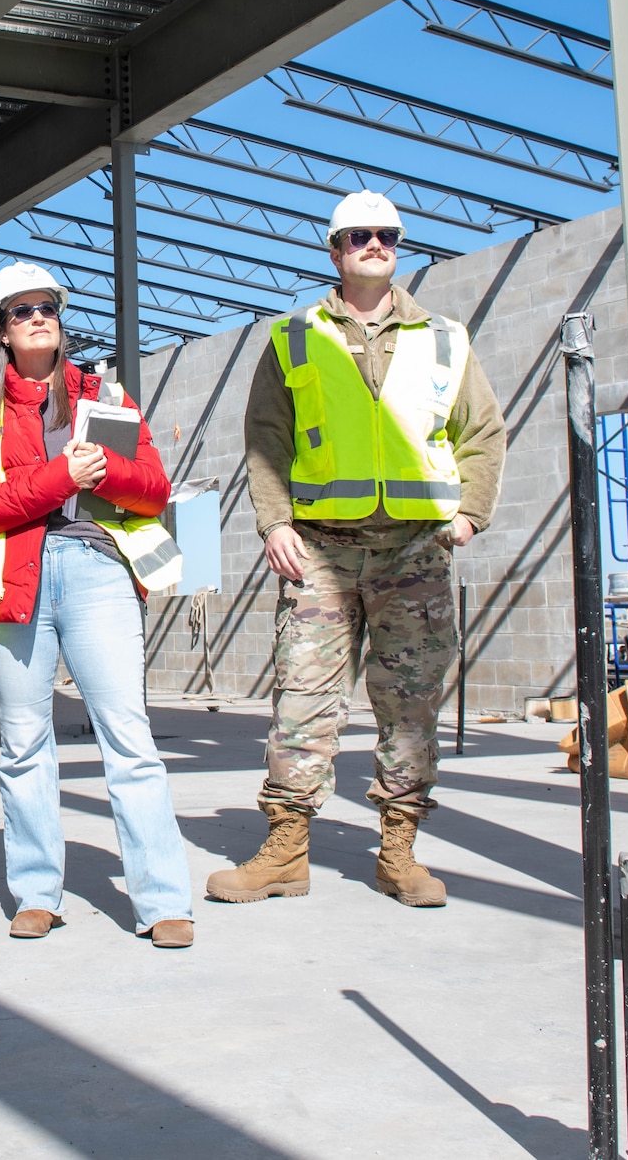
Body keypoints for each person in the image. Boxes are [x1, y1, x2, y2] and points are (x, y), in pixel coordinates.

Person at [208, 191, 505, 909]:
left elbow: (482, 432)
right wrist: (274, 522)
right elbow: (266, 437)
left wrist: (469, 516)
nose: (375, 244)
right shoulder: (294, 337)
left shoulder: (444, 337)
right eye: (359, 236)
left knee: (411, 704)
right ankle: (286, 848)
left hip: (414, 550)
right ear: (334, 249)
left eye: (386, 235)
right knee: (303, 698)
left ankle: (398, 848)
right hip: (320, 548)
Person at [0, 262, 195, 948]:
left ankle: (164, 899)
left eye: (47, 306)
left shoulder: (103, 396)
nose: (37, 318)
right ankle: (35, 892)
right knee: (24, 743)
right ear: (0, 329)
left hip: (96, 572)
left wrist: (104, 469)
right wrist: (61, 475)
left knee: (129, 737)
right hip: (15, 582)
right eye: (21, 310)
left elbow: (152, 488)